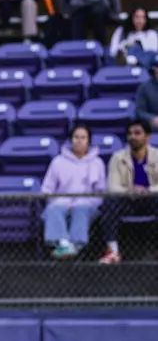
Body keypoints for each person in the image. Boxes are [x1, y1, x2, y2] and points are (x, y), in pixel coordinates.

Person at [41, 124, 106, 258]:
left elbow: (100, 192)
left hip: (87, 203)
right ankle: (64, 243)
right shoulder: (58, 162)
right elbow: (47, 189)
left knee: (81, 208)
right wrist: (59, 201)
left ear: (88, 141)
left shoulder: (97, 163)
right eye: (76, 137)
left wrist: (86, 202)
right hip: (62, 201)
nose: (79, 141)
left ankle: (76, 245)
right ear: (71, 140)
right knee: (54, 209)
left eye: (83, 137)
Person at [99, 120, 158, 264]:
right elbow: (112, 187)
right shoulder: (117, 157)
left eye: (138, 133)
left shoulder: (157, 156)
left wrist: (147, 190)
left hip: (151, 200)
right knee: (109, 202)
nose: (133, 137)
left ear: (147, 137)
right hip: (127, 201)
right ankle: (113, 251)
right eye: (130, 134)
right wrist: (129, 191)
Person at [135, 53, 158, 131]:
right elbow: (139, 112)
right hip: (153, 127)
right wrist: (153, 118)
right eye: (157, 66)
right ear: (154, 68)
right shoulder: (144, 87)